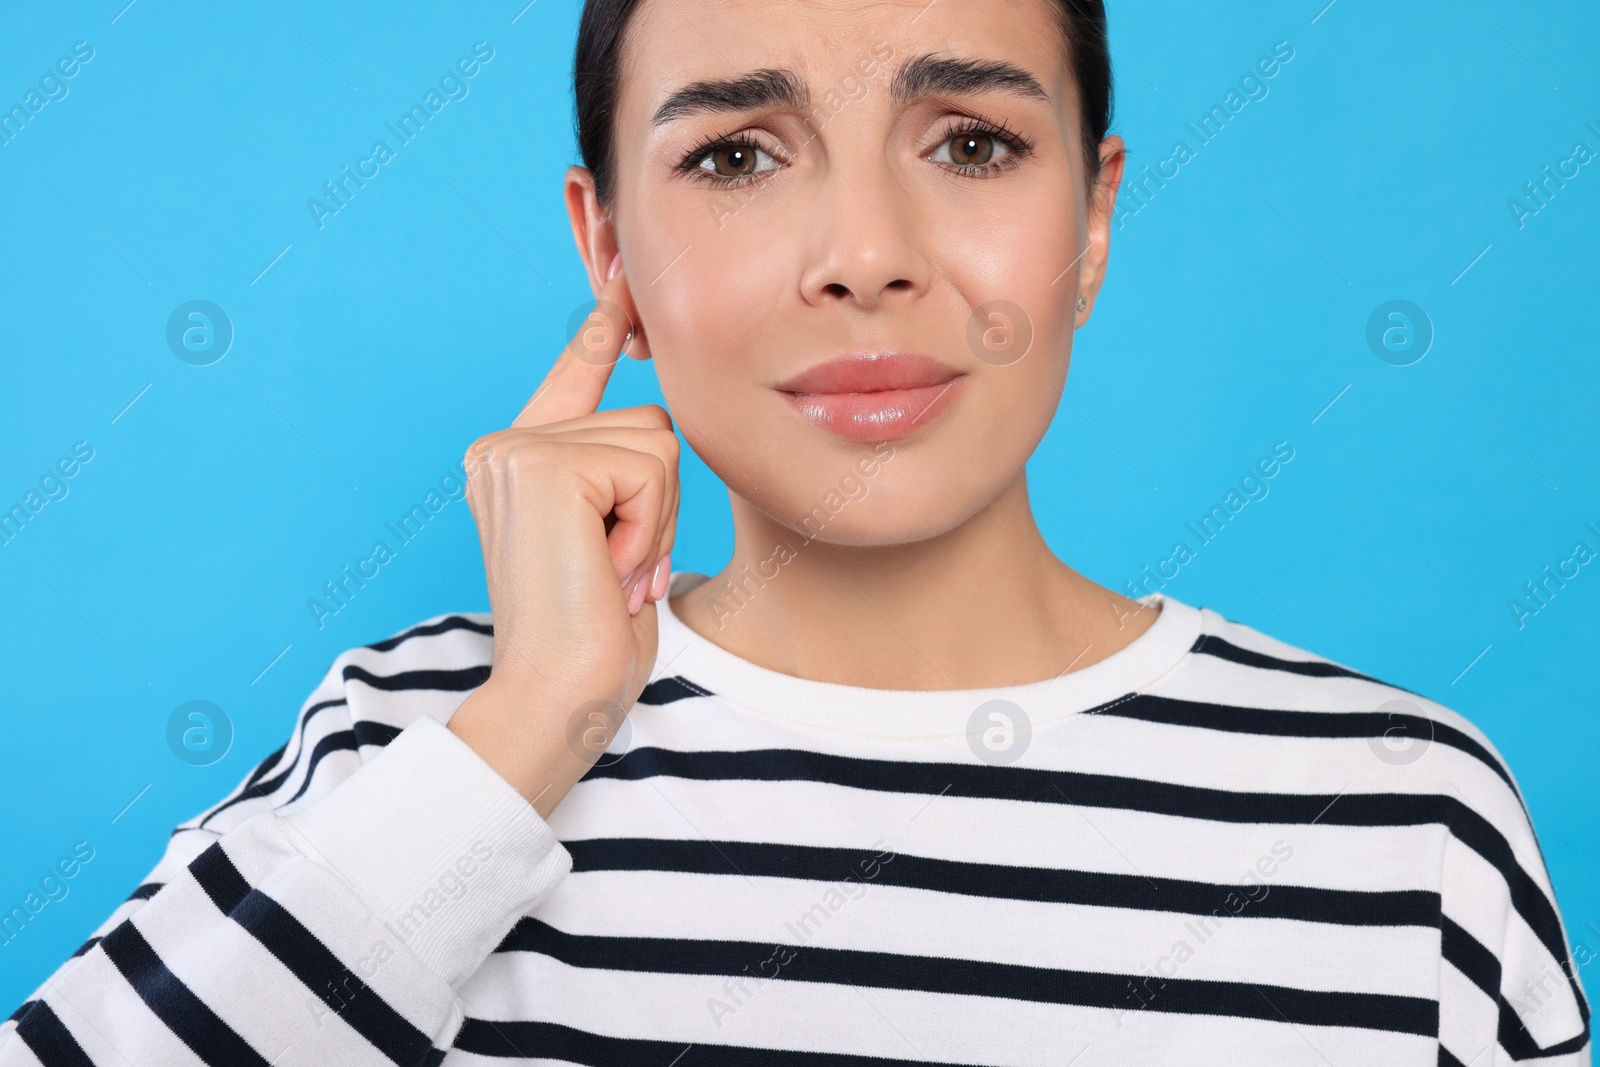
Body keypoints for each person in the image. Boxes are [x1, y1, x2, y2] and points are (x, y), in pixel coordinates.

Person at [3, 0, 1589, 1063]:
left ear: (1093, 217)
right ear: (606, 243)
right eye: (737, 156)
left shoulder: (1404, 830)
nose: (864, 256)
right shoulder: (421, 749)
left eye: (970, 140)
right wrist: (534, 726)